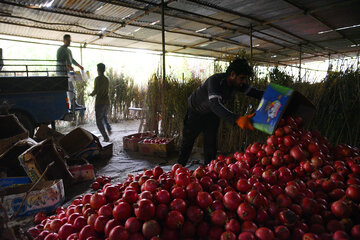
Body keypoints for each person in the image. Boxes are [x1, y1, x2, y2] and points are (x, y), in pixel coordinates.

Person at [178, 58, 264, 166]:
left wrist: (274, 96)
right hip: (196, 111)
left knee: (211, 144)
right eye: (242, 78)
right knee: (188, 142)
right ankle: (178, 169)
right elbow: (215, 104)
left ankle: (209, 171)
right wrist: (237, 119)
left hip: (212, 114)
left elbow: (254, 92)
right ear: (232, 74)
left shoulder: (237, 84)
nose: (244, 82)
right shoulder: (215, 81)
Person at [56, 34, 84, 108]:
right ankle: (69, 104)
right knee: (68, 88)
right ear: (64, 40)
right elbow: (59, 61)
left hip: (68, 72)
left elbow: (72, 60)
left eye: (70, 40)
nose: (69, 42)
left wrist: (79, 66)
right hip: (62, 73)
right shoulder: (60, 50)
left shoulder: (69, 50)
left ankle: (73, 104)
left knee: (72, 87)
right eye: (68, 40)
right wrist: (68, 66)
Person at [90, 63, 112, 142]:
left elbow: (95, 91)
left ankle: (105, 137)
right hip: (107, 102)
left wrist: (91, 94)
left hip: (100, 102)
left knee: (99, 122)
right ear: (104, 70)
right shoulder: (107, 79)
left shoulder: (97, 79)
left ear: (98, 70)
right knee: (104, 117)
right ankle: (109, 129)